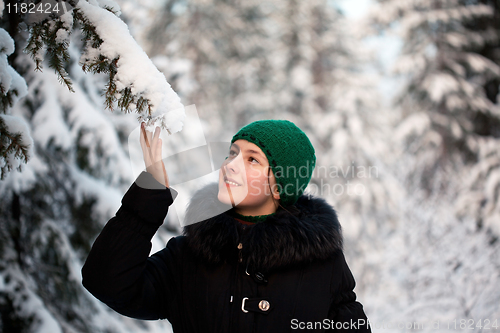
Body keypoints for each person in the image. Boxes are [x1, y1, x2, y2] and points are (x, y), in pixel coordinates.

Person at [82, 119, 371, 332]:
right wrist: (149, 195)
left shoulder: (323, 262)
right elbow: (108, 283)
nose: (230, 165)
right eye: (231, 153)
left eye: (252, 159)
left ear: (281, 186)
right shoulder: (188, 254)